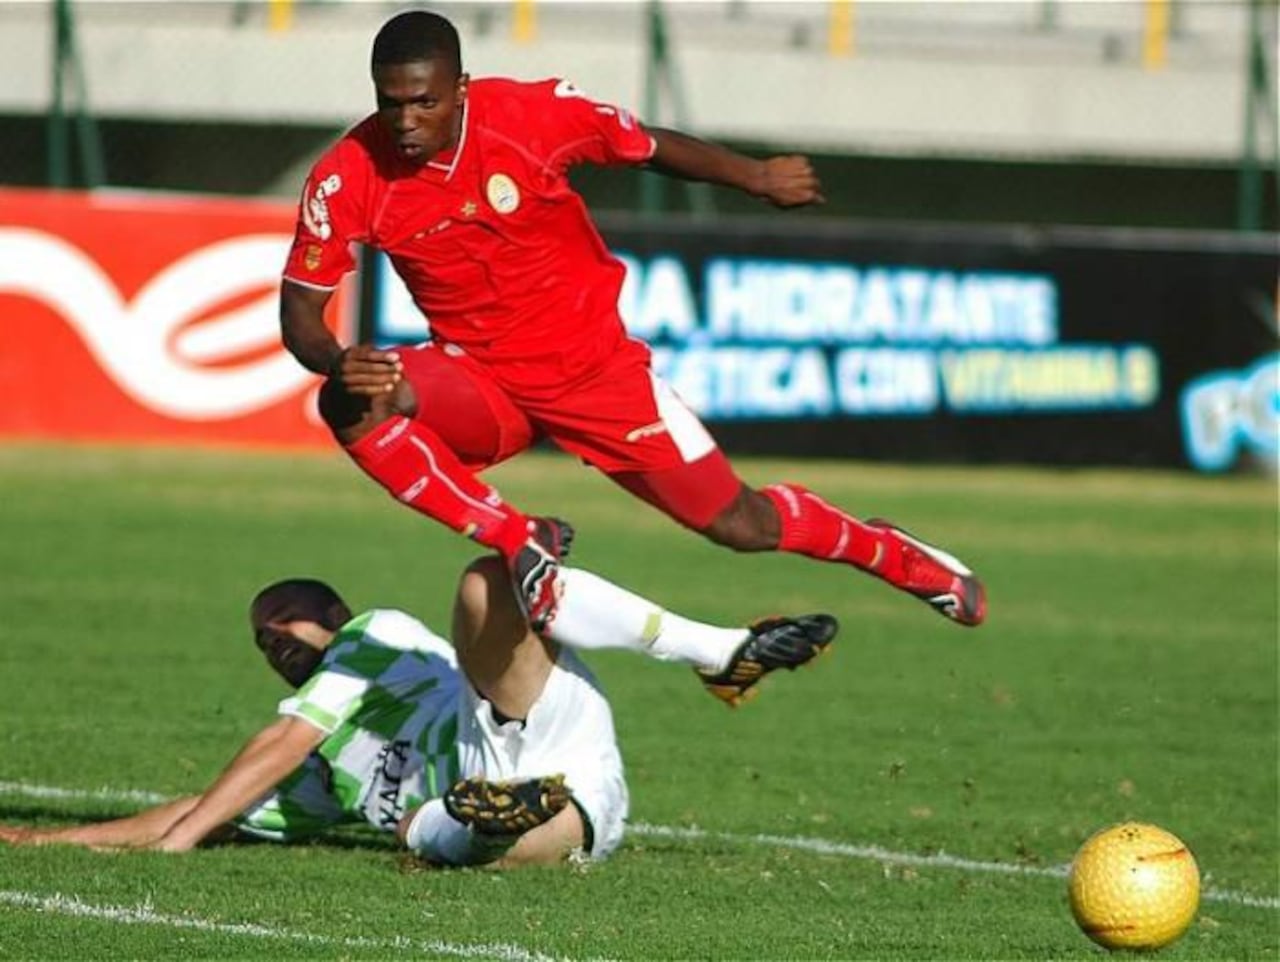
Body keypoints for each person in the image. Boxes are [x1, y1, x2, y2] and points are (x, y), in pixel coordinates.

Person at [279, 9, 986, 635]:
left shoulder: (530, 117)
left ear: (461, 88)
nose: (404, 120)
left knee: (740, 524)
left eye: (424, 102)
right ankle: (521, 536)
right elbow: (299, 313)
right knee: (351, 401)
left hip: (596, 374)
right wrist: (336, 359)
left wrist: (755, 177)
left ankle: (893, 553)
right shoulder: (346, 176)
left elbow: (646, 144)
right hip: (480, 376)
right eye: (390, 102)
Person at [0, 543, 838, 866]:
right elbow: (211, 806)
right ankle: (483, 825)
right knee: (436, 831)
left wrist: (179, 844)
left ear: (333, 616)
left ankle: (716, 649)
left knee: (489, 577)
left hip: (515, 717)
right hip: (566, 810)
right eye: (260, 641)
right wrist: (51, 837)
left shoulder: (377, 638)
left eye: (283, 621)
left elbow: (281, 742)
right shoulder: (323, 768)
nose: (273, 642)